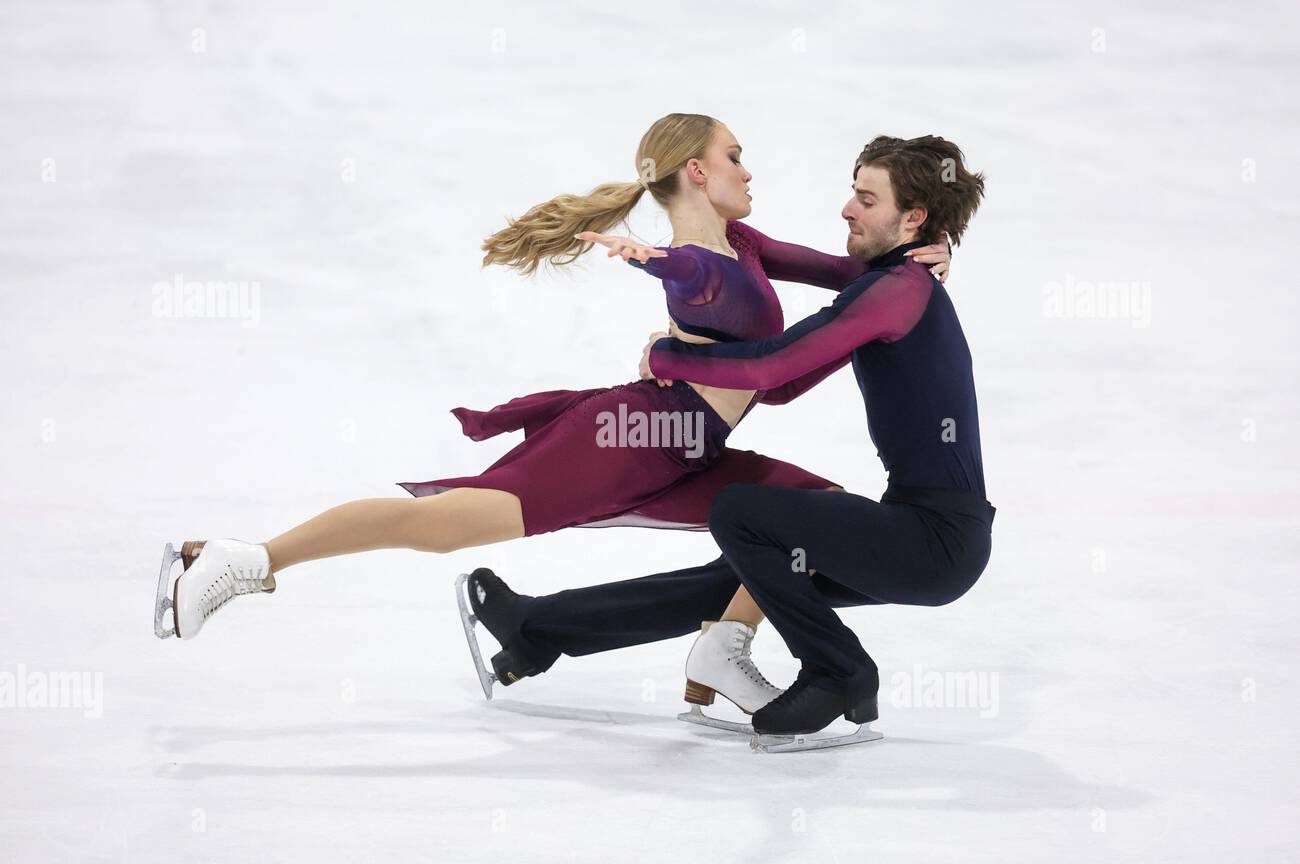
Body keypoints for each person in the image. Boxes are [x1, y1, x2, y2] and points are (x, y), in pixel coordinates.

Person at [152, 113, 952, 712]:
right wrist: (656, 267)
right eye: (733, 156)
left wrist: (933, 250)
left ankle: (725, 650)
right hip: (633, 438)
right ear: (696, 174)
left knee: (816, 516)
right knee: (444, 522)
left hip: (691, 449)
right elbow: (692, 279)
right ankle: (245, 561)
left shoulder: (744, 244)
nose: (749, 167)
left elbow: (856, 280)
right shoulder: (696, 266)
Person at [461, 134, 994, 741]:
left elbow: (770, 368)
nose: (847, 208)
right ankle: (534, 631)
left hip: (934, 541)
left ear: (913, 217)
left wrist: (671, 358)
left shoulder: (898, 290)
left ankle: (840, 671)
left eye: (867, 199)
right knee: (737, 576)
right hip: (930, 536)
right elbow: (783, 370)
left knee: (740, 511)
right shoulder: (893, 283)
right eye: (853, 191)